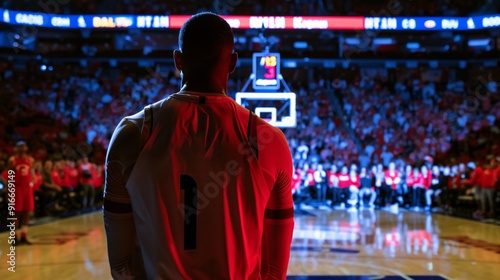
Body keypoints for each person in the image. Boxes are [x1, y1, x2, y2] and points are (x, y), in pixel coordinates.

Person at [103, 12, 294, 280]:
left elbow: (121, 265)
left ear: (178, 60)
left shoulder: (132, 133)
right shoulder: (269, 141)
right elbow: (275, 272)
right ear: (233, 63)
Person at [7, 141, 36, 245]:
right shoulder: (12, 160)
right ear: (16, 148)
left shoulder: (30, 160)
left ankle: (24, 235)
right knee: (16, 213)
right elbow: (9, 176)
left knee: (27, 212)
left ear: (27, 148)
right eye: (20, 146)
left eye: (24, 146)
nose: (22, 148)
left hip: (27, 188)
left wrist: (33, 181)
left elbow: (32, 173)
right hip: (17, 187)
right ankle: (14, 237)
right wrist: (9, 191)